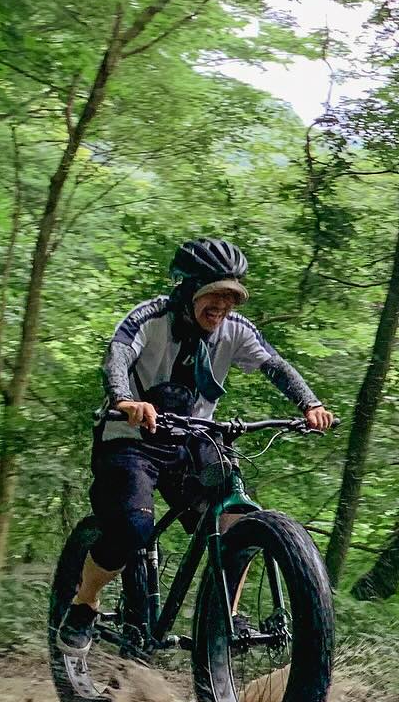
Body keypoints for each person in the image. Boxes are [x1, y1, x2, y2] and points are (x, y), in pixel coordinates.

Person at [57, 238, 334, 657]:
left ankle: (226, 614)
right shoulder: (150, 319)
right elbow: (116, 355)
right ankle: (85, 601)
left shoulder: (235, 331)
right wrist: (124, 399)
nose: (223, 305)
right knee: (133, 528)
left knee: (235, 517)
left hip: (194, 440)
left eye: (232, 296)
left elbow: (274, 365)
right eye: (215, 293)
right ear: (187, 289)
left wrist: (309, 403)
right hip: (131, 440)